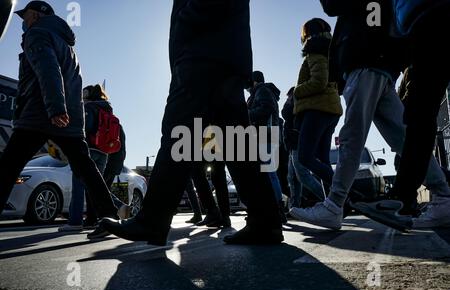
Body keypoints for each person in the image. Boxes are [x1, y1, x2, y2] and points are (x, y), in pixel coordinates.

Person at [101, 0, 284, 245]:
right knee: (235, 142)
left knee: (179, 134)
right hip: (223, 56)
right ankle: (266, 220)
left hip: (200, 54)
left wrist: (184, 25)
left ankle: (152, 221)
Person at [290, 0, 450, 230]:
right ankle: (443, 194)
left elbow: (333, 6)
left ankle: (334, 204)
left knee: (352, 136)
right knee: (404, 137)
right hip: (380, 63)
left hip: (364, 60)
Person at [0, 1, 118, 239]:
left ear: (35, 15)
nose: (23, 22)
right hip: (70, 121)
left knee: (7, 167)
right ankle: (111, 216)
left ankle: (109, 215)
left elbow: (47, 68)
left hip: (39, 114)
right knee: (86, 168)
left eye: (25, 17)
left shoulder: (38, 33)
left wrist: (55, 107)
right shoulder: (66, 45)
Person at [391, 0, 450, 228]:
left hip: (427, 18)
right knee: (419, 116)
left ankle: (403, 199)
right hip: (420, 23)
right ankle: (404, 198)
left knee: (419, 116)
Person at [59, 85, 129, 232]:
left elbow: (86, 128)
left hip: (88, 149)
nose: (82, 95)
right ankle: (94, 218)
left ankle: (75, 221)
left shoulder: (89, 107)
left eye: (84, 93)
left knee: (79, 185)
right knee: (94, 185)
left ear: (89, 94)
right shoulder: (107, 109)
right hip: (104, 152)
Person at [293, 18, 343, 195]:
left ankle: (344, 192)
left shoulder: (315, 50)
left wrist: (296, 91)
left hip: (318, 109)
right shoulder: (330, 49)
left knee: (305, 157)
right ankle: (334, 202)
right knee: (322, 158)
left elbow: (319, 82)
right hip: (330, 108)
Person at [247, 71, 285, 222]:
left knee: (269, 173)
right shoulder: (261, 91)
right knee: (267, 173)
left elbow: (265, 109)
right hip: (266, 135)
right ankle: (274, 209)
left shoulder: (262, 90)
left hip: (266, 135)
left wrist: (247, 113)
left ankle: (277, 209)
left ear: (254, 81)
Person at [282, 87, 325, 209]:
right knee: (292, 177)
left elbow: (290, 115)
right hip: (292, 143)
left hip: (297, 141)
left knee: (302, 175)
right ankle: (295, 207)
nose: (287, 98)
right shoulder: (294, 102)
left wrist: (295, 133)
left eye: (289, 96)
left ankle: (328, 199)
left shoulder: (297, 101)